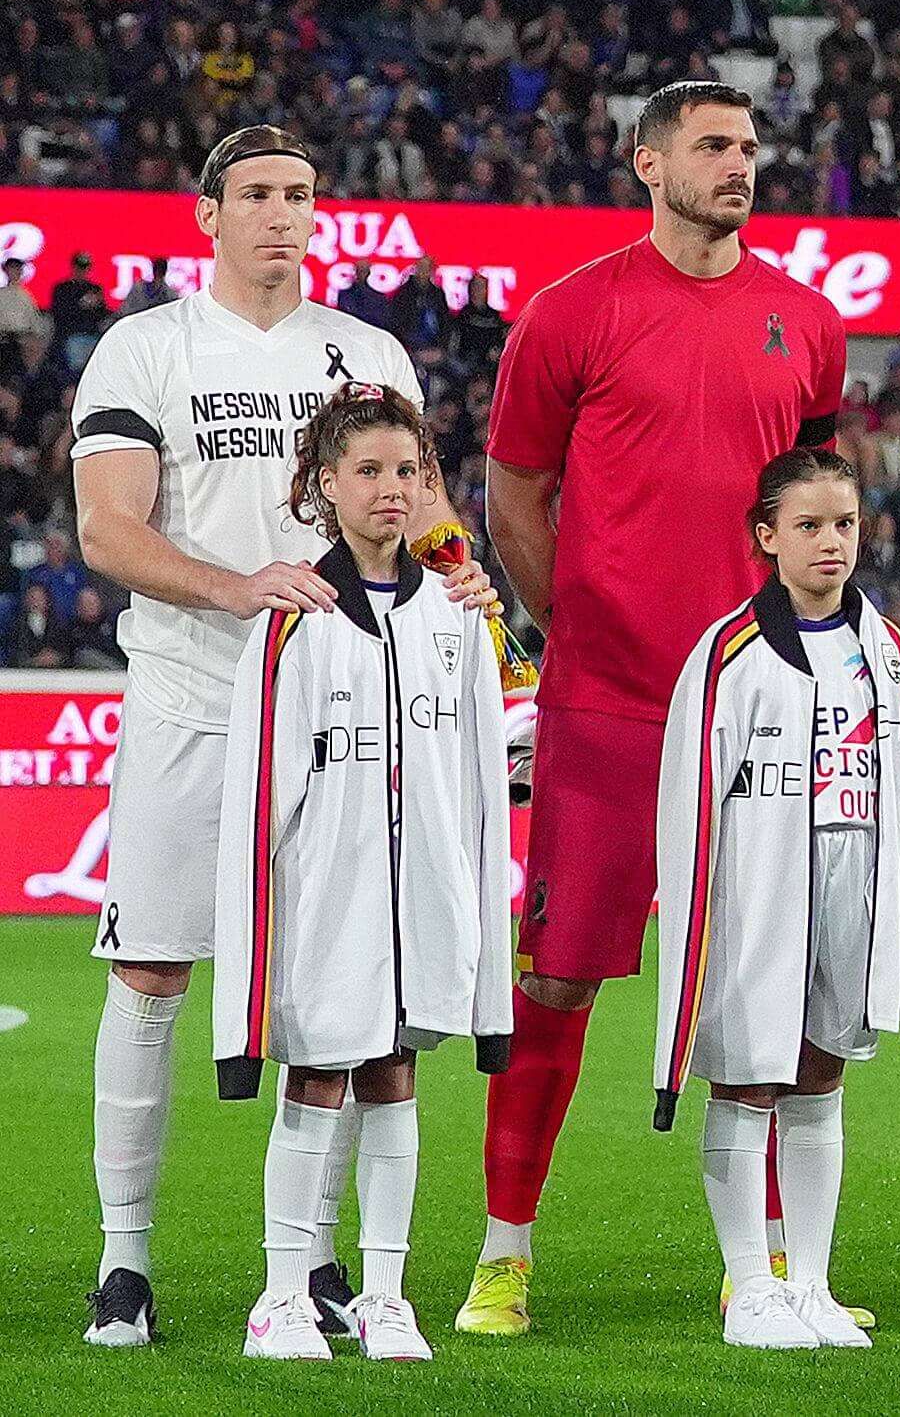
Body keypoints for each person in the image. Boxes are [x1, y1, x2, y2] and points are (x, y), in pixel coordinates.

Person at [463, 81, 849, 1339]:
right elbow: (513, 488)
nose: (741, 165)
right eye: (714, 145)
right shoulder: (572, 311)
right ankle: (504, 1251)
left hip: (760, 718)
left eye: (750, 146)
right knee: (559, 976)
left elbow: (813, 495)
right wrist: (570, 625)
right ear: (648, 160)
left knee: (768, 989)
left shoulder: (808, 320)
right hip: (610, 707)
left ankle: (767, 1266)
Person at [70, 126, 443, 1349]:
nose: (285, 214)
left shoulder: (366, 350)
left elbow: (417, 499)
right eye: (260, 195)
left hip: (337, 718)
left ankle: (318, 1257)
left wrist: (461, 577)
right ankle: (126, 1259)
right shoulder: (148, 345)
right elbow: (107, 530)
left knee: (337, 989)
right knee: (154, 972)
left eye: (302, 194)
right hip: (195, 702)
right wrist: (237, 588)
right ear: (208, 214)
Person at [214, 388, 513, 1363]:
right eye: (370, 470)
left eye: (408, 470)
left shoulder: (458, 614)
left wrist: (472, 914)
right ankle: (282, 1296)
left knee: (395, 1074)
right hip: (328, 897)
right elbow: (263, 796)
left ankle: (385, 1293)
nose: (392, 488)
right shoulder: (297, 614)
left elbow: (479, 774)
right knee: (315, 1076)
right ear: (324, 485)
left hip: (419, 899)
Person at [652, 447, 900, 1350]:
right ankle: (749, 1284)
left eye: (843, 523)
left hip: (852, 879)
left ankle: (811, 1283)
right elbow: (689, 801)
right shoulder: (728, 654)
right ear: (767, 538)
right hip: (758, 888)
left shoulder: (886, 645)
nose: (832, 542)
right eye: (808, 526)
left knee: (823, 1075)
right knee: (750, 1073)